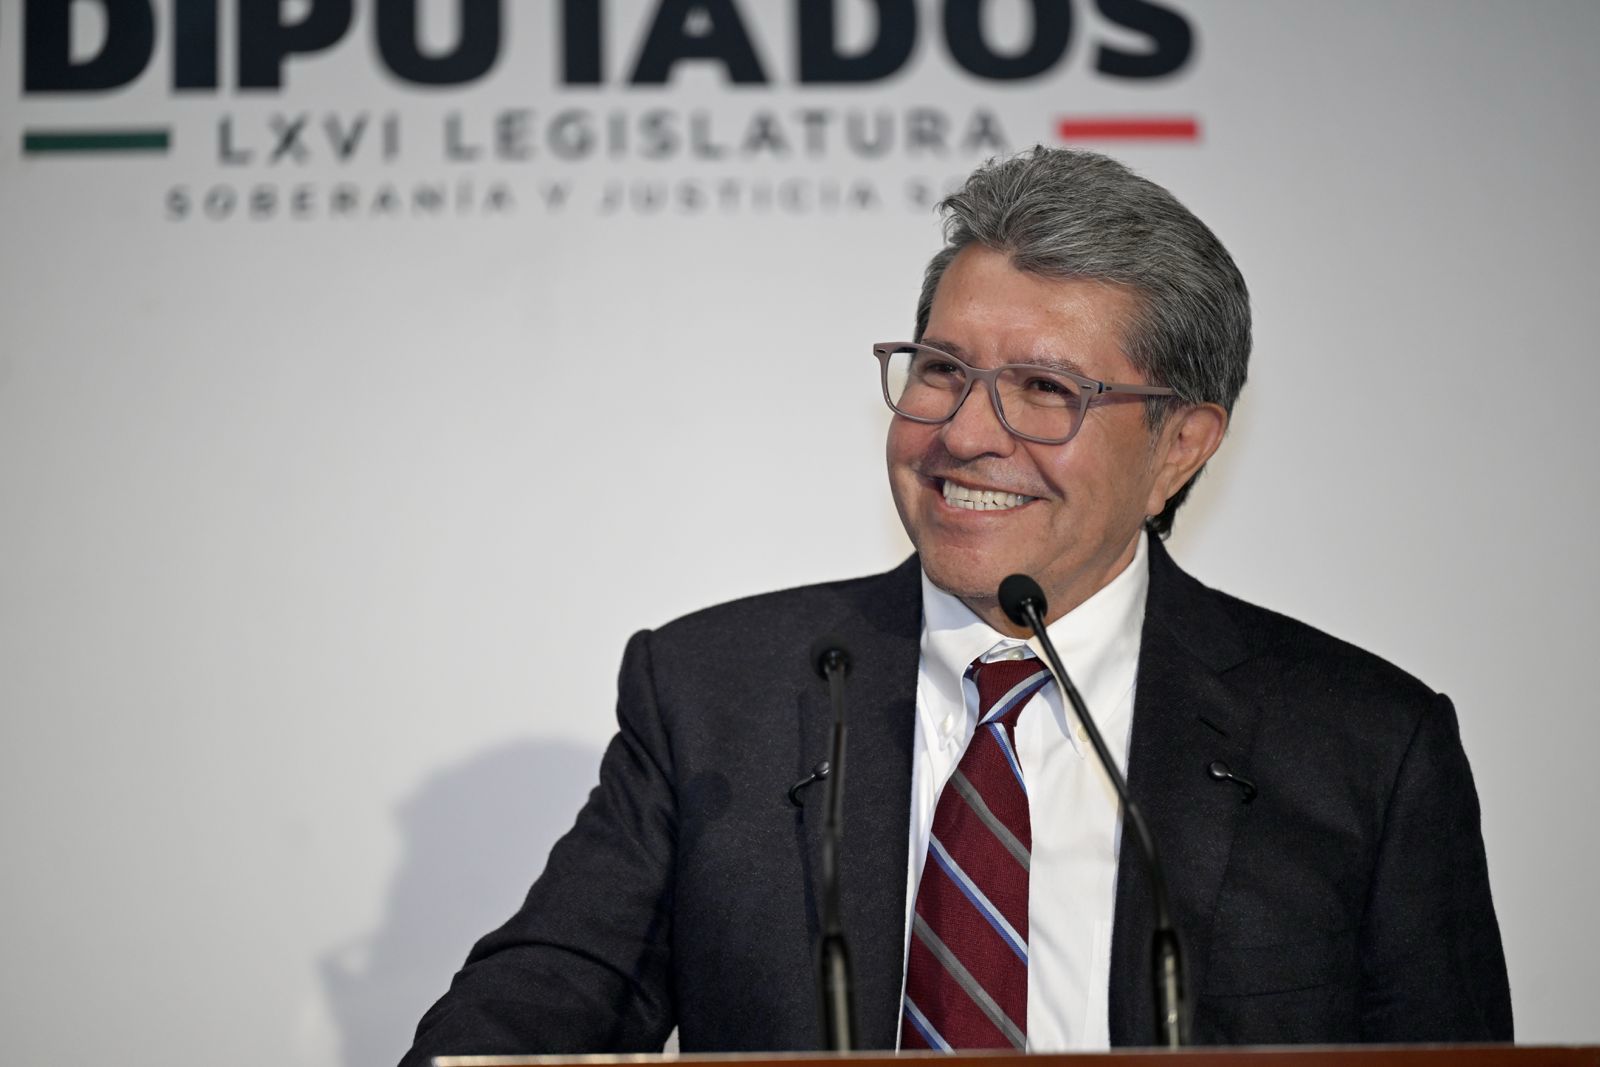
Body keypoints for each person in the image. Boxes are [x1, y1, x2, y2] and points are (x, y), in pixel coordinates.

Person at [401, 148, 1511, 1061]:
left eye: (1044, 389)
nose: (966, 432)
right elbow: (548, 998)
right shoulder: (716, 691)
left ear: (1179, 445)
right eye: (940, 368)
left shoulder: (1362, 743)